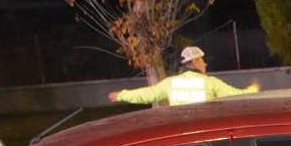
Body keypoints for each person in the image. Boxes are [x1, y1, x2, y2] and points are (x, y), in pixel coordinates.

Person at [108, 46, 260, 106]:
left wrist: (122, 95)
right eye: (202, 60)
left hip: (183, 137)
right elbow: (235, 96)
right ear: (195, 62)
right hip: (207, 134)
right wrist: (254, 89)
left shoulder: (170, 83)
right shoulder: (210, 83)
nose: (205, 64)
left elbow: (148, 94)